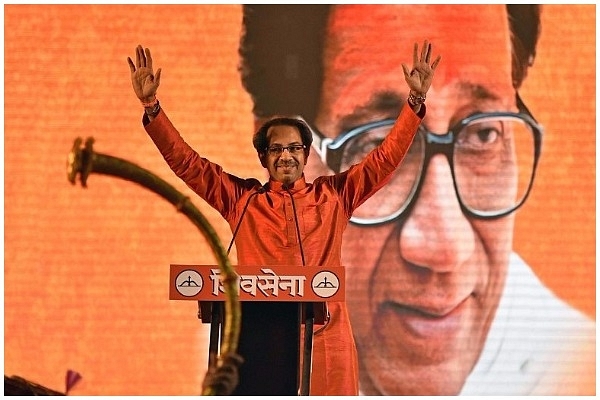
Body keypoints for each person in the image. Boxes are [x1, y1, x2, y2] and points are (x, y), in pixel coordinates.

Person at [238, 4, 596, 396]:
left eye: (483, 135)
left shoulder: (575, 376)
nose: (446, 249)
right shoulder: (238, 361)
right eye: (377, 143)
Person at [127, 40, 441, 395]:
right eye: (276, 149)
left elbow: (383, 160)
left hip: (326, 343)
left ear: (306, 155)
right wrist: (151, 107)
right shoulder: (241, 200)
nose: (286, 156)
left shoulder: (334, 196)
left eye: (294, 148)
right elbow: (188, 164)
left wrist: (414, 103)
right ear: (263, 158)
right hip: (263, 343)